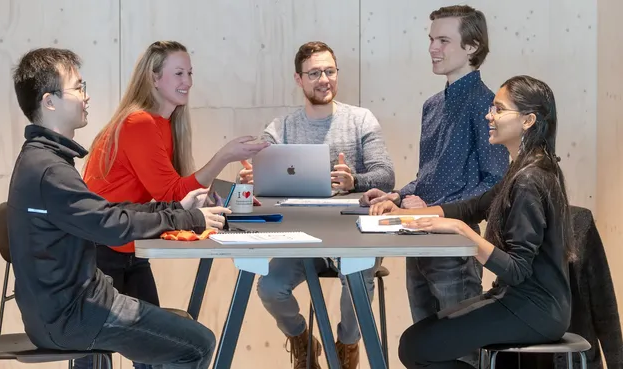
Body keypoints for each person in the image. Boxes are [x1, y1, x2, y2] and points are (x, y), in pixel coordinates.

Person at [8, 47, 230, 369]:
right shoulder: (49, 171)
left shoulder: (44, 160)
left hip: (77, 303)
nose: (86, 97)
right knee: (197, 344)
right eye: (78, 87)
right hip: (73, 315)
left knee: (176, 342)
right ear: (50, 101)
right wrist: (186, 216)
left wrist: (173, 207)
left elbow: (107, 211)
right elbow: (111, 224)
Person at [78, 40, 268, 368]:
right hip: (102, 249)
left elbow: (176, 195)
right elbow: (170, 195)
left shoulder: (162, 124)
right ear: (153, 78)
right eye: (178, 73)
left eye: (190, 73)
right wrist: (224, 156)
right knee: (133, 351)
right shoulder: (140, 123)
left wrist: (211, 198)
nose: (188, 81)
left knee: (156, 349)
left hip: (127, 247)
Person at [372, 75, 573, 368]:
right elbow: (473, 207)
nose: (488, 115)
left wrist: (460, 231)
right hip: (520, 299)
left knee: (415, 347)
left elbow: (516, 270)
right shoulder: (523, 168)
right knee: (415, 342)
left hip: (534, 309)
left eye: (499, 110)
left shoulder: (530, 179)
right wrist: (404, 213)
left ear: (528, 120)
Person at [360, 6, 509, 365]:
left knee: (463, 356)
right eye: (431, 39)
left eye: (444, 40)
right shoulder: (432, 106)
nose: (432, 48)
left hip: (456, 247)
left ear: (472, 47)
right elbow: (430, 176)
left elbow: (495, 185)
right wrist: (397, 194)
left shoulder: (487, 105)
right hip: (417, 240)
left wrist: (433, 209)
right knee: (424, 350)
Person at [239, 41, 395, 369]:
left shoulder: (361, 119)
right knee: (270, 287)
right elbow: (256, 163)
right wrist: (253, 175)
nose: (324, 79)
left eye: (330, 71)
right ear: (299, 79)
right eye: (314, 73)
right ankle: (301, 340)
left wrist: (355, 181)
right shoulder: (281, 127)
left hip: (355, 233)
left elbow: (386, 175)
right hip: (301, 237)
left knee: (359, 277)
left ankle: (347, 347)